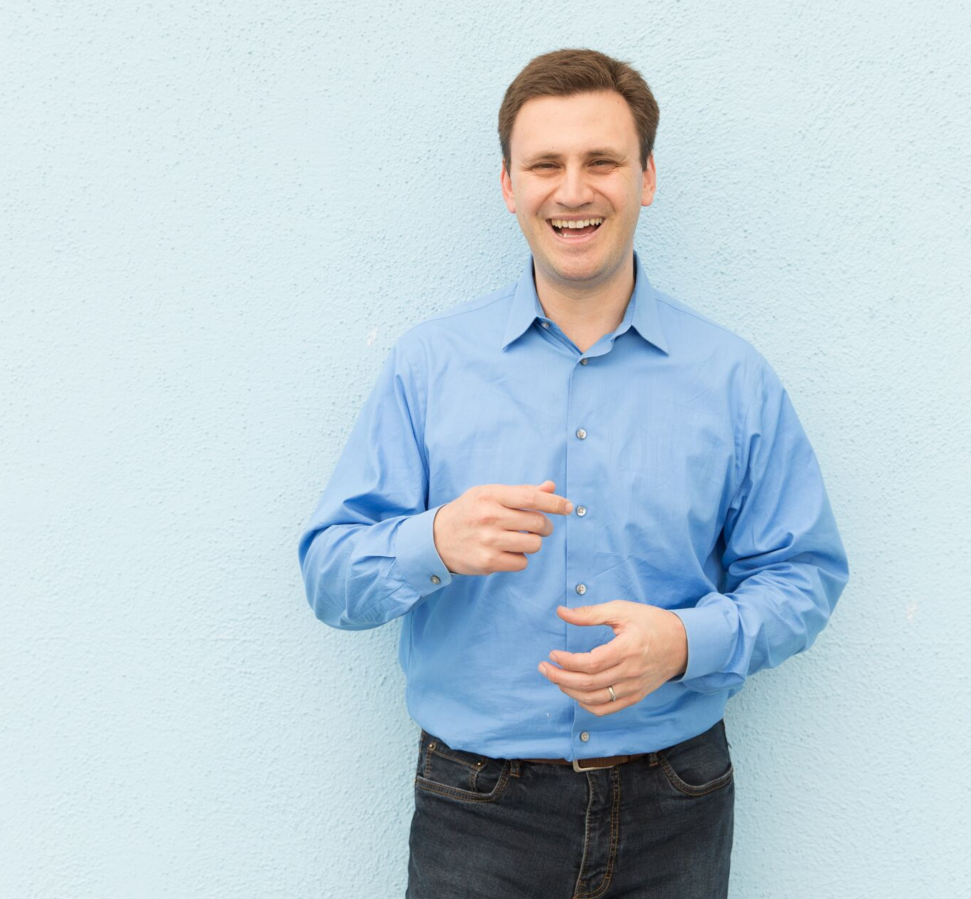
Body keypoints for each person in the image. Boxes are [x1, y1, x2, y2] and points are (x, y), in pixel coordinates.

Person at [298, 47, 849, 899]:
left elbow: (804, 574)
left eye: (602, 161)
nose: (574, 189)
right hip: (476, 810)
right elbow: (331, 576)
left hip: (678, 802)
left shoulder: (732, 377)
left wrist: (685, 643)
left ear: (647, 177)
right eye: (545, 164)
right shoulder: (429, 367)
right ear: (509, 186)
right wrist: (434, 539)